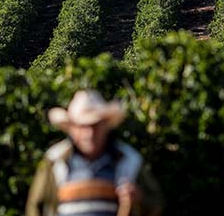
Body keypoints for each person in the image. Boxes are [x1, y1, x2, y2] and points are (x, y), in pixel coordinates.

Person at [26, 90, 164, 216]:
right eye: (83, 126)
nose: (90, 133)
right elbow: (35, 207)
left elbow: (156, 203)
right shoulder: (55, 160)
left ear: (105, 125)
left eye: (95, 125)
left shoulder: (129, 160)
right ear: (72, 128)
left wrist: (138, 198)